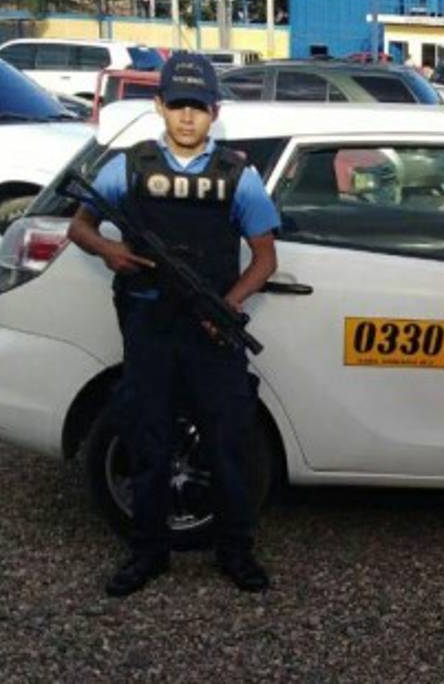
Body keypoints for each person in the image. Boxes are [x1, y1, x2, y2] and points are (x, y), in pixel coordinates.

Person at [67, 52, 280, 597]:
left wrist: (229, 305)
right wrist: (109, 251)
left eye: (199, 107)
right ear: (160, 106)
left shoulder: (237, 174)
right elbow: (80, 226)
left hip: (210, 332)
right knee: (148, 440)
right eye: (178, 105)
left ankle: (235, 551)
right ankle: (148, 552)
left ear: (214, 111)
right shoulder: (129, 167)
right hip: (150, 326)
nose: (188, 118)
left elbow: (264, 258)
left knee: (229, 442)